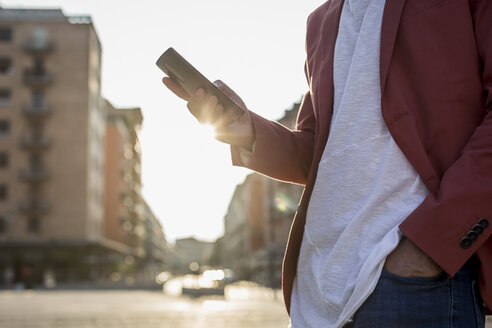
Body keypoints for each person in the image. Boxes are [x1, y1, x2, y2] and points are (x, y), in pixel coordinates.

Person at [162, 0, 491, 326]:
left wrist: (431, 246)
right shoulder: (321, 21)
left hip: (412, 285)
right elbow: (319, 151)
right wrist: (246, 130)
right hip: (317, 291)